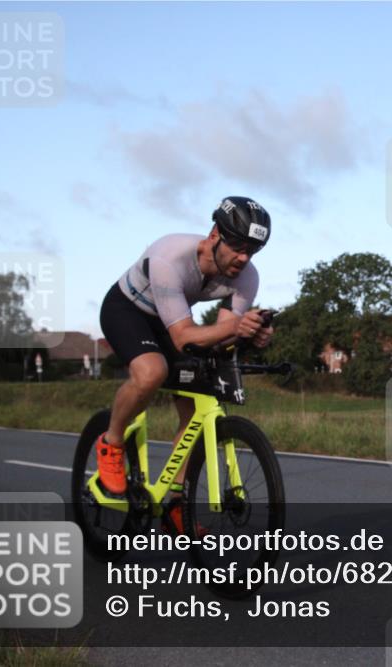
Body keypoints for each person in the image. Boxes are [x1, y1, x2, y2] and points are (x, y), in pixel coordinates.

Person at [96, 196, 274, 533]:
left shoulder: (247, 277)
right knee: (152, 372)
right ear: (214, 235)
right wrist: (237, 327)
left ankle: (176, 502)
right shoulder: (169, 257)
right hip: (128, 312)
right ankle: (112, 442)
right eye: (238, 247)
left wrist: (251, 335)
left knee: (196, 406)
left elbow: (222, 338)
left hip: (171, 320)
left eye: (252, 251)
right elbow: (182, 338)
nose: (244, 258)